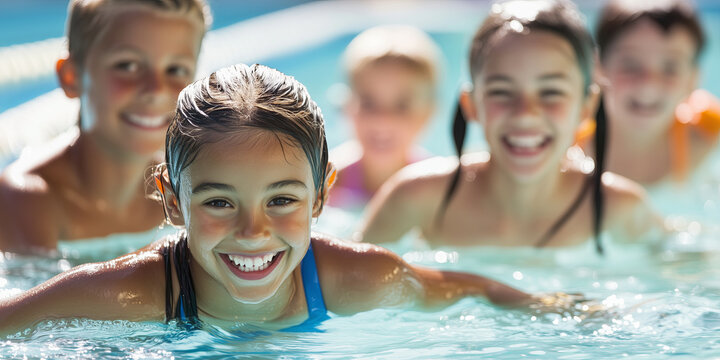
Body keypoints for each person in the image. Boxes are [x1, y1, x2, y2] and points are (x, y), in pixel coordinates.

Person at [0, 64, 581, 335]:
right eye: (220, 203)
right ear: (172, 203)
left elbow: (471, 288)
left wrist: (554, 310)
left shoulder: (358, 279)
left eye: (281, 200)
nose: (253, 231)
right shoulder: (134, 290)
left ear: (322, 195)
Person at [359, 0, 661, 252]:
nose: (525, 113)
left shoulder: (619, 210)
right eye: (502, 92)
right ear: (471, 104)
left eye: (551, 92)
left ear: (587, 107)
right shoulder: (416, 198)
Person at [0, 0, 210, 255]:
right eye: (127, 65)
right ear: (72, 76)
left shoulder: (185, 191)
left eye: (175, 69)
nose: (156, 89)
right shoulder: (28, 199)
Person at [584, 0, 720, 186]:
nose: (649, 85)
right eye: (630, 65)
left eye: (670, 68)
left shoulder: (710, 132)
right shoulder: (569, 146)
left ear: (693, 79)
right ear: (598, 68)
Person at [327, 25, 439, 211]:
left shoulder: (435, 183)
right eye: (368, 103)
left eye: (402, 106)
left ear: (427, 114)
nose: (383, 120)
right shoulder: (328, 181)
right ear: (347, 107)